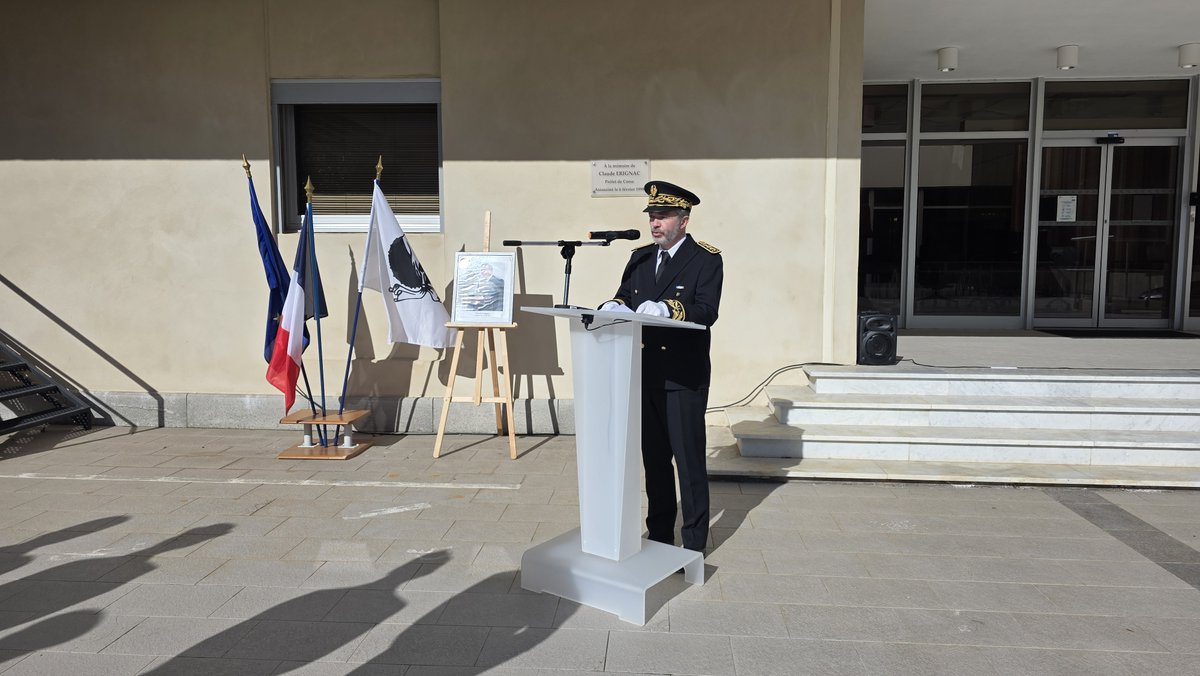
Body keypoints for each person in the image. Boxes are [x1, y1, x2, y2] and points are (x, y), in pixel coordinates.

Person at [601, 180, 723, 553]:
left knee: (688, 465)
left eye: (663, 216)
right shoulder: (639, 257)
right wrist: (613, 305)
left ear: (683, 220)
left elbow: (707, 311)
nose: (655, 223)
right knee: (654, 463)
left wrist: (669, 309)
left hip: (683, 376)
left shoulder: (706, 259)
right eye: (652, 216)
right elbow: (625, 295)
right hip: (645, 372)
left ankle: (692, 546)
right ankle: (658, 537)